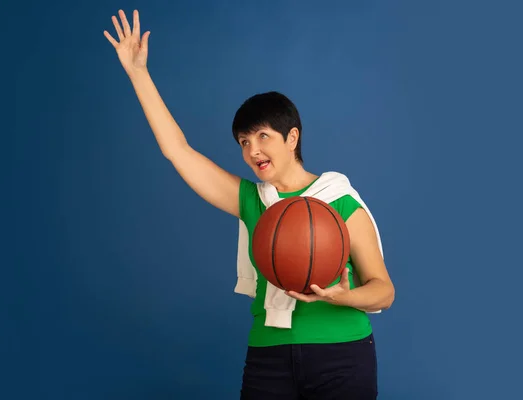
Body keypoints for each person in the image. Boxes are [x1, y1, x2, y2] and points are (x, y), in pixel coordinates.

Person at [104, 9, 395, 399]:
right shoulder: (251, 200)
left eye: (262, 136)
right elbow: (177, 151)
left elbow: (383, 291)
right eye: (243, 141)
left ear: (292, 138)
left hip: (342, 353)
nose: (252, 150)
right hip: (269, 355)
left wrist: (343, 296)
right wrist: (138, 73)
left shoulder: (338, 202)